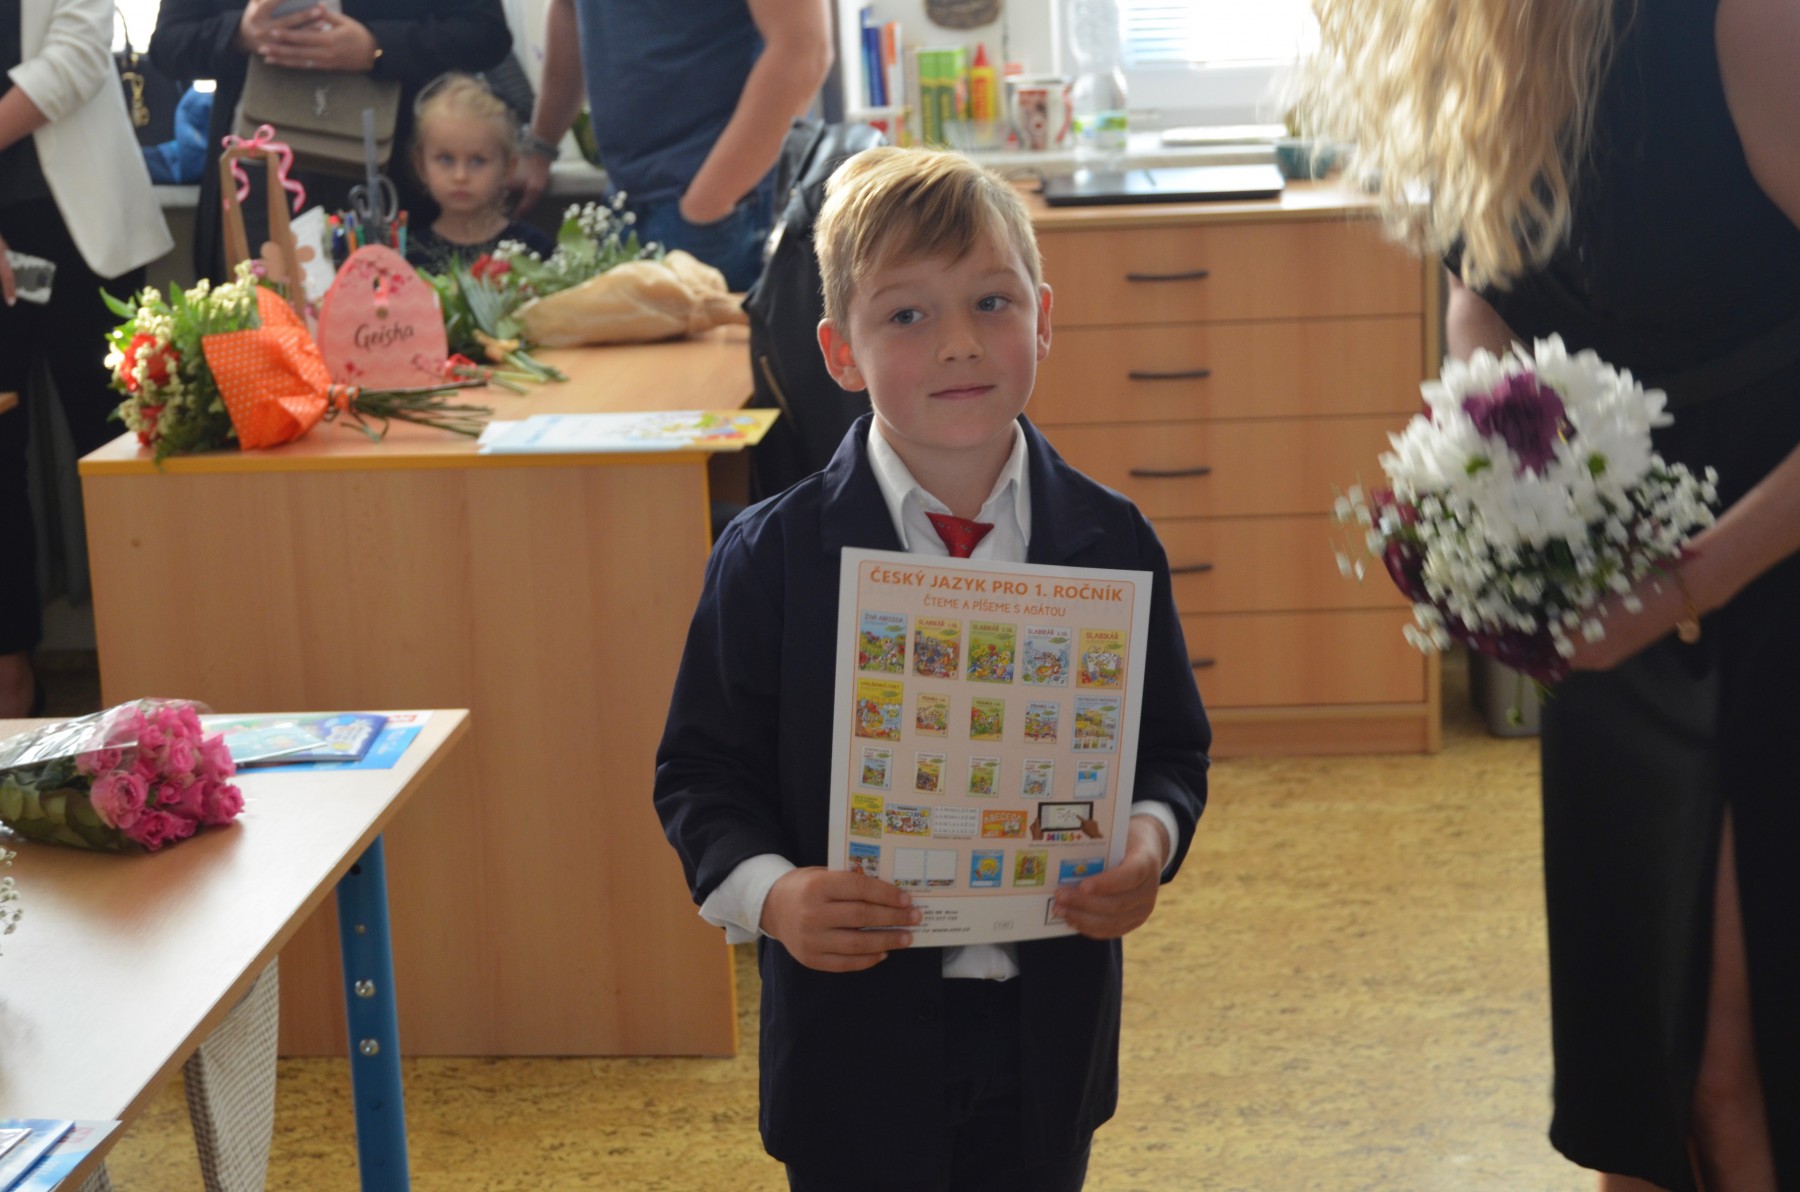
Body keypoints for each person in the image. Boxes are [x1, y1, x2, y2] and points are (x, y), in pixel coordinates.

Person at [1304, 1, 1800, 1189]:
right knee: (1642, 1086)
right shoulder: (1468, 37)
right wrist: (1487, 460)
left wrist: (1686, 582)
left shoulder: (1744, 20)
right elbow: (1484, 290)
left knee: (1733, 1081)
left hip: (1770, 558)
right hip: (1611, 584)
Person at [652, 147, 1212, 1189]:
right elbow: (701, 776)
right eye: (906, 314)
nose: (959, 342)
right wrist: (776, 898)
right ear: (841, 351)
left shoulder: (1112, 541)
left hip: (1046, 1041)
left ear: (1044, 318)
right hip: (850, 1044)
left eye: (992, 302)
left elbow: (1172, 752)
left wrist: (1147, 840)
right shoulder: (772, 558)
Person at [2, 0, 175, 717]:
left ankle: (156, 671)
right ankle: (12, 682)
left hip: (88, 231)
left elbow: (77, 57)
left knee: (126, 451)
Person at [149, 0, 511, 281]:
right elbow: (169, 44)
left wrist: (377, 46)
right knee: (255, 337)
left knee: (395, 338)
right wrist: (241, 33)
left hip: (389, 171)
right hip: (256, 173)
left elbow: (486, 33)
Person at [512, 0, 832, 291]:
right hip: (627, 204)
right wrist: (541, 146)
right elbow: (570, 9)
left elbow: (805, 51)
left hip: (728, 212)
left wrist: (707, 205)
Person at [403, 72, 554, 274]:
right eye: (446, 159)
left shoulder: (534, 249)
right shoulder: (409, 256)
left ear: (507, 168)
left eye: (477, 161)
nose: (460, 176)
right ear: (421, 166)